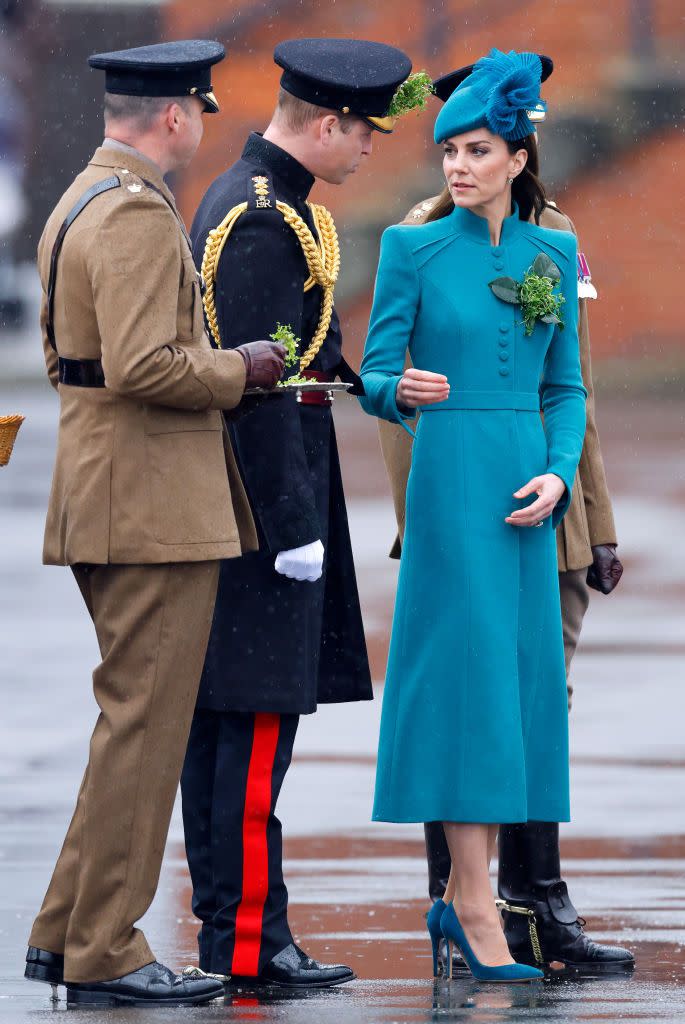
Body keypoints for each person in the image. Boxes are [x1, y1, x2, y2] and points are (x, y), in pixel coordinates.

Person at [23, 41, 286, 1008]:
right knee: (145, 731)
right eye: (200, 112)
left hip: (114, 491)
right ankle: (109, 950)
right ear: (174, 115)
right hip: (149, 503)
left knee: (125, 726)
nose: (201, 126)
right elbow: (144, 366)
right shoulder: (133, 211)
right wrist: (245, 369)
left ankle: (68, 932)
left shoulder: (82, 196)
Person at [378, 58, 633, 977]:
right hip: (458, 504)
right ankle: (465, 904)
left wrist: (590, 514)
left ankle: (534, 903)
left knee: (533, 706)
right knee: (465, 697)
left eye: (481, 140)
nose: (459, 158)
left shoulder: (553, 239)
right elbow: (395, 388)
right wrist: (425, 515)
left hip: (546, 502)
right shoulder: (417, 238)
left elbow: (577, 390)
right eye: (450, 141)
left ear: (519, 150)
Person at [181, 37, 422, 989]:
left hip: (271, 492)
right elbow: (254, 385)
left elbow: (303, 347)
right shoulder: (258, 219)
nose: (368, 149)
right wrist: (291, 529)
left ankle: (239, 931)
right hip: (261, 509)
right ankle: (247, 943)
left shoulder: (274, 205)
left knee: (238, 727)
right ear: (326, 124)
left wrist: (373, 385)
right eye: (363, 133)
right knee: (251, 727)